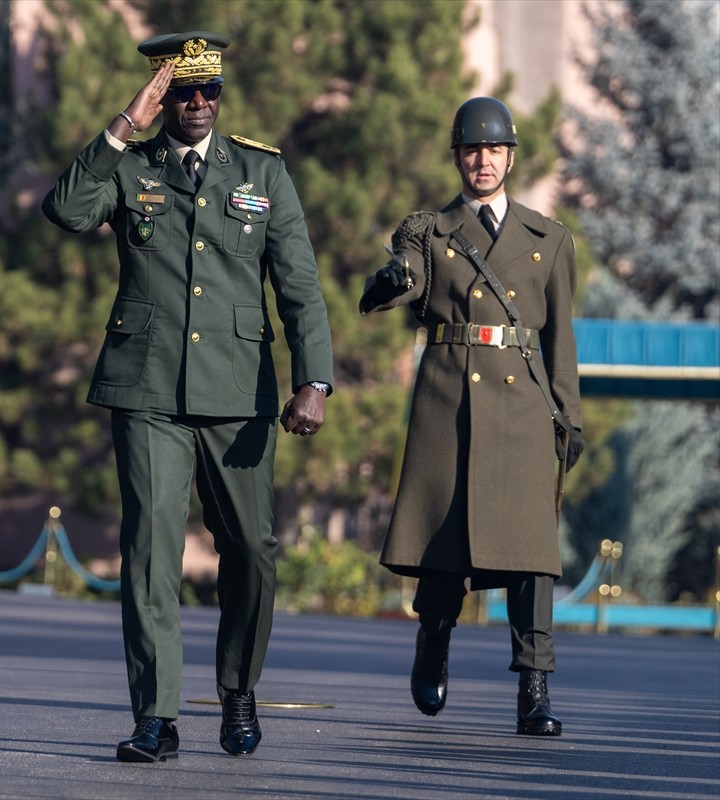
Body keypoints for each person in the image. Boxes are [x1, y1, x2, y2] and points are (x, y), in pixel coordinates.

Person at [42, 31, 334, 762]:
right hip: (147, 389)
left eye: (210, 91)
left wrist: (314, 379)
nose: (198, 103)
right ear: (161, 97)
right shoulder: (129, 165)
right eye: (182, 92)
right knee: (148, 554)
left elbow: (298, 284)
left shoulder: (262, 171)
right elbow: (66, 210)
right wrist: (121, 125)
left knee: (253, 551)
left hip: (239, 393)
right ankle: (156, 715)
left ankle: (238, 689)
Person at [359, 97, 584, 736]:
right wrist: (391, 282)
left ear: (510, 156)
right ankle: (433, 634)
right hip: (448, 402)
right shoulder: (429, 231)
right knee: (443, 545)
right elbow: (409, 274)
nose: (481, 161)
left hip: (523, 409)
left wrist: (568, 416)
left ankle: (534, 688)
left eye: (492, 150)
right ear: (457, 157)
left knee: (532, 555)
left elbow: (561, 341)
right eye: (470, 150)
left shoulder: (550, 239)